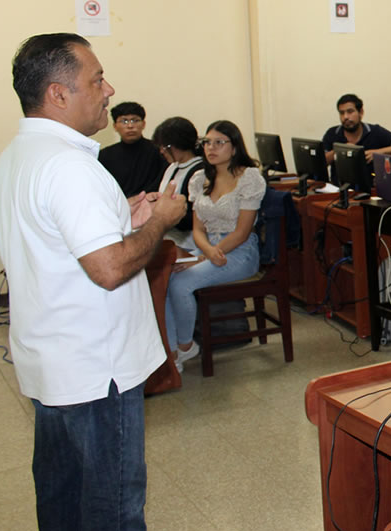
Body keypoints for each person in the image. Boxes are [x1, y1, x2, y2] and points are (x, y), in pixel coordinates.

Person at [0, 33, 187, 531]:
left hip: (51, 364)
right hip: (96, 371)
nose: (109, 90)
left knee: (63, 501)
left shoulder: (20, 155)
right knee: (113, 513)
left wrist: (120, 216)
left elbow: (56, 241)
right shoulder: (70, 166)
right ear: (58, 93)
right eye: (96, 79)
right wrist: (158, 221)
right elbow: (108, 269)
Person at [165, 120, 265, 372]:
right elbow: (198, 229)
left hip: (240, 251)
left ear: (234, 147)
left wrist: (209, 254)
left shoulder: (249, 177)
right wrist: (206, 253)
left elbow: (242, 232)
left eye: (219, 143)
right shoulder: (200, 178)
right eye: (207, 142)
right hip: (208, 248)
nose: (211, 148)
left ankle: (186, 347)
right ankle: (170, 350)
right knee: (162, 279)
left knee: (181, 283)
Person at [152, 116, 204, 252]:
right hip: (166, 235)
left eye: (165, 147)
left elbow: (194, 218)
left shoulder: (200, 172)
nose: (161, 151)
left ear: (179, 144)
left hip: (187, 241)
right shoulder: (172, 167)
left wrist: (162, 214)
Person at [98, 100, 168, 197]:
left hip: (150, 203)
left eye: (135, 120)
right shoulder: (104, 155)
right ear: (115, 126)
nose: (130, 126)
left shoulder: (158, 151)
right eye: (124, 121)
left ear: (143, 124)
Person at [322, 93, 391, 176]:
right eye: (342, 113)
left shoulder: (375, 131)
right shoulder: (332, 133)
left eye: (350, 112)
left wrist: (378, 152)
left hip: (370, 187)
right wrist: (339, 151)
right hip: (338, 187)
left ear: (361, 112)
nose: (345, 117)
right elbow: (320, 163)